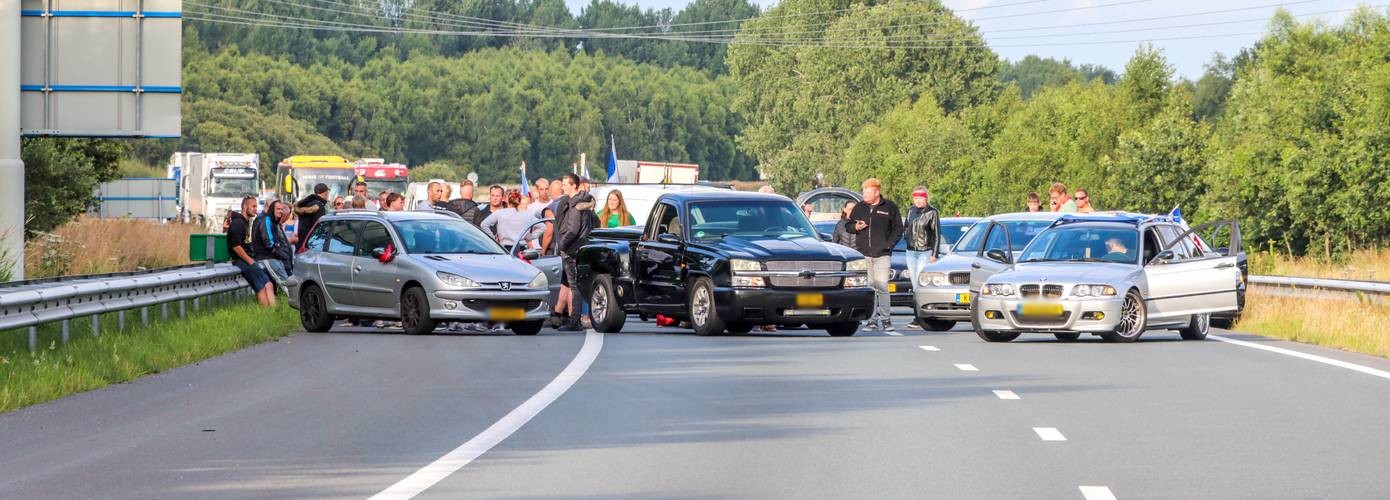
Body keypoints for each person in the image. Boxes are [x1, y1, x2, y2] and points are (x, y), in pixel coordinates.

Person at [847, 178, 904, 332]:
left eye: (868, 192)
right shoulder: (859, 207)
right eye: (863, 192)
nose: (864, 195)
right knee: (870, 287)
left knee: (883, 287)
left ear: (877, 192)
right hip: (864, 254)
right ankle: (871, 321)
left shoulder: (889, 207)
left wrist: (888, 244)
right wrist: (856, 226)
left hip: (883, 255)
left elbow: (898, 229)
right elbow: (848, 226)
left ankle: (886, 320)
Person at [556, 174, 595, 332]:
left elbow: (572, 230)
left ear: (574, 186)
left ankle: (574, 320)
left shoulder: (575, 205)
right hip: (581, 247)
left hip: (572, 250)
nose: (563, 187)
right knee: (575, 285)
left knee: (574, 286)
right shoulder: (583, 202)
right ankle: (574, 319)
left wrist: (562, 245)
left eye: (566, 184)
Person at [903, 187, 941, 330]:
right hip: (911, 252)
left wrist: (934, 254)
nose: (918, 201)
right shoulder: (910, 211)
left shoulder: (932, 212)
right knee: (914, 285)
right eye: (916, 198)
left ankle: (920, 318)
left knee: (920, 283)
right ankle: (917, 316)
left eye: (921, 198)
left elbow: (937, 234)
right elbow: (905, 227)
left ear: (926, 198)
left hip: (925, 251)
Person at [227, 196, 275, 307]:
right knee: (263, 287)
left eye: (256, 207)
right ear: (245, 206)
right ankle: (268, 313)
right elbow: (236, 246)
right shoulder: (238, 223)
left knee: (266, 285)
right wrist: (250, 261)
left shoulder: (245, 222)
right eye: (253, 206)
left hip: (249, 260)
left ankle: (272, 313)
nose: (255, 209)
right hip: (242, 261)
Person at [252, 200, 294, 294]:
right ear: (271, 209)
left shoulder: (275, 222)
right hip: (268, 257)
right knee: (285, 285)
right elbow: (268, 241)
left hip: (276, 258)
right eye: (278, 209)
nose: (280, 211)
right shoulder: (266, 220)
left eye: (281, 209)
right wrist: (277, 252)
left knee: (283, 284)